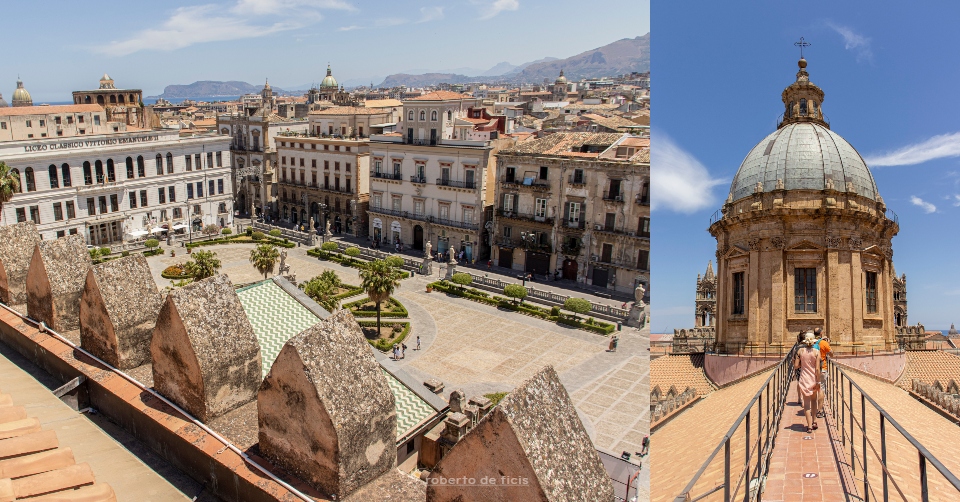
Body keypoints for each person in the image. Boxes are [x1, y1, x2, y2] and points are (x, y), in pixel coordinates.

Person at [795, 331, 822, 433]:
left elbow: (796, 366)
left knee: (806, 405)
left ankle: (809, 426)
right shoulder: (816, 352)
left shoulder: (800, 351)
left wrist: (800, 362)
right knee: (814, 401)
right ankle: (815, 421)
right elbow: (817, 369)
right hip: (813, 379)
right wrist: (818, 382)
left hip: (804, 379)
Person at [815, 330, 832, 418]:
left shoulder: (811, 343)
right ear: (821, 333)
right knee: (821, 388)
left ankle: (811, 408)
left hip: (812, 369)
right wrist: (827, 343)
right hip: (822, 368)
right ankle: (819, 411)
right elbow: (831, 354)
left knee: (813, 389)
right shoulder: (823, 343)